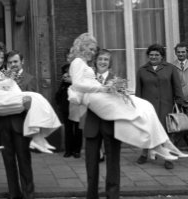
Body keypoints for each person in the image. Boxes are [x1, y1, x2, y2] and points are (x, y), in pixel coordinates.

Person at [67, 33, 186, 163]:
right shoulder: (77, 62)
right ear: (82, 47)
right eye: (91, 49)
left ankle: (164, 144)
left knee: (146, 107)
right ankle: (157, 146)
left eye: (94, 49)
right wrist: (103, 88)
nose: (93, 52)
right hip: (93, 97)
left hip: (97, 94)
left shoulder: (83, 63)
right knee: (137, 109)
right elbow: (77, 84)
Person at [0, 42, 61, 153]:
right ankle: (37, 138)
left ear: (22, 62)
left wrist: (7, 81)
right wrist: (6, 81)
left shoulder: (0, 73)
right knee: (36, 97)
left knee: (37, 98)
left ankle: (38, 137)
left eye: (1, 57)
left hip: (10, 110)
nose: (0, 60)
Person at [0, 50, 38, 199]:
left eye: (15, 62)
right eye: (10, 62)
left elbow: (35, 103)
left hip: (21, 126)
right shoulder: (2, 78)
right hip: (4, 126)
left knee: (24, 162)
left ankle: (29, 198)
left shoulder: (29, 79)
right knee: (8, 161)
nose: (12, 65)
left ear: (22, 62)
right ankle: (14, 193)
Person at [78, 49, 121, 199]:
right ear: (95, 61)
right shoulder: (87, 79)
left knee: (112, 166)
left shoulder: (117, 80)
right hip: (92, 124)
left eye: (106, 60)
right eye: (100, 59)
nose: (103, 62)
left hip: (111, 126)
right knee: (90, 165)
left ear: (109, 63)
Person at [136, 44, 185, 169]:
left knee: (167, 133)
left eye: (156, 54)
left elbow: (177, 87)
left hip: (166, 105)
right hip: (148, 107)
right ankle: (144, 153)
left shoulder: (170, 69)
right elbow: (138, 91)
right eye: (151, 54)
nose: (153, 57)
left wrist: (180, 101)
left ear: (162, 56)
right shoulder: (142, 70)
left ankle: (169, 158)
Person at [55, 63, 82, 158]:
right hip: (66, 108)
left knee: (78, 130)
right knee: (68, 130)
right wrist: (59, 104)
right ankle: (68, 150)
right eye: (66, 73)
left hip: (77, 107)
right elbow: (58, 94)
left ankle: (77, 151)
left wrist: (73, 81)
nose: (67, 75)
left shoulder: (78, 80)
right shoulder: (64, 83)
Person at [171, 42, 188, 147]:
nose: (181, 54)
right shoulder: (171, 66)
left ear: (187, 52)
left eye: (183, 52)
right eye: (178, 52)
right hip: (178, 101)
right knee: (179, 123)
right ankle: (175, 146)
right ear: (175, 53)